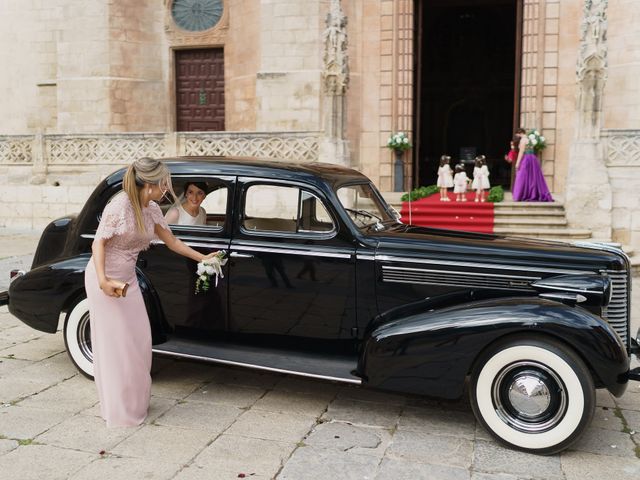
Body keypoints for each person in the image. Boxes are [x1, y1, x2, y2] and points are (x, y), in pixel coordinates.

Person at [84, 157, 219, 427]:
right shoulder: (120, 205)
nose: (167, 188)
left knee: (140, 342)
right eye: (163, 184)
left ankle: (134, 401)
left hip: (129, 281)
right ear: (149, 184)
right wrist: (103, 280)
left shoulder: (153, 208)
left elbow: (172, 241)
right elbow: (98, 244)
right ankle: (118, 410)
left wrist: (202, 258)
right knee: (117, 346)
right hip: (105, 279)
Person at [512, 128, 553, 202]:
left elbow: (521, 152)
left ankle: (520, 195)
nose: (517, 136)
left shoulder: (523, 140)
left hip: (526, 158)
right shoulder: (530, 139)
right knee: (532, 177)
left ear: (520, 133)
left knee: (521, 175)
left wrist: (517, 163)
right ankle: (531, 194)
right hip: (533, 159)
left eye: (517, 134)